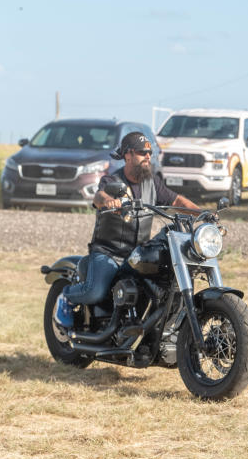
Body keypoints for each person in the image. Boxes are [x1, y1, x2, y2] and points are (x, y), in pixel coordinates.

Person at [53, 131, 201, 327]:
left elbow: (176, 200)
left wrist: (202, 213)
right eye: (142, 152)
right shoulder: (112, 181)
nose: (148, 156)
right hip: (109, 252)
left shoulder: (152, 183)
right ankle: (67, 297)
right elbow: (99, 197)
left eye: (150, 152)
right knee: (96, 290)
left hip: (138, 254)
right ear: (128, 155)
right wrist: (110, 202)